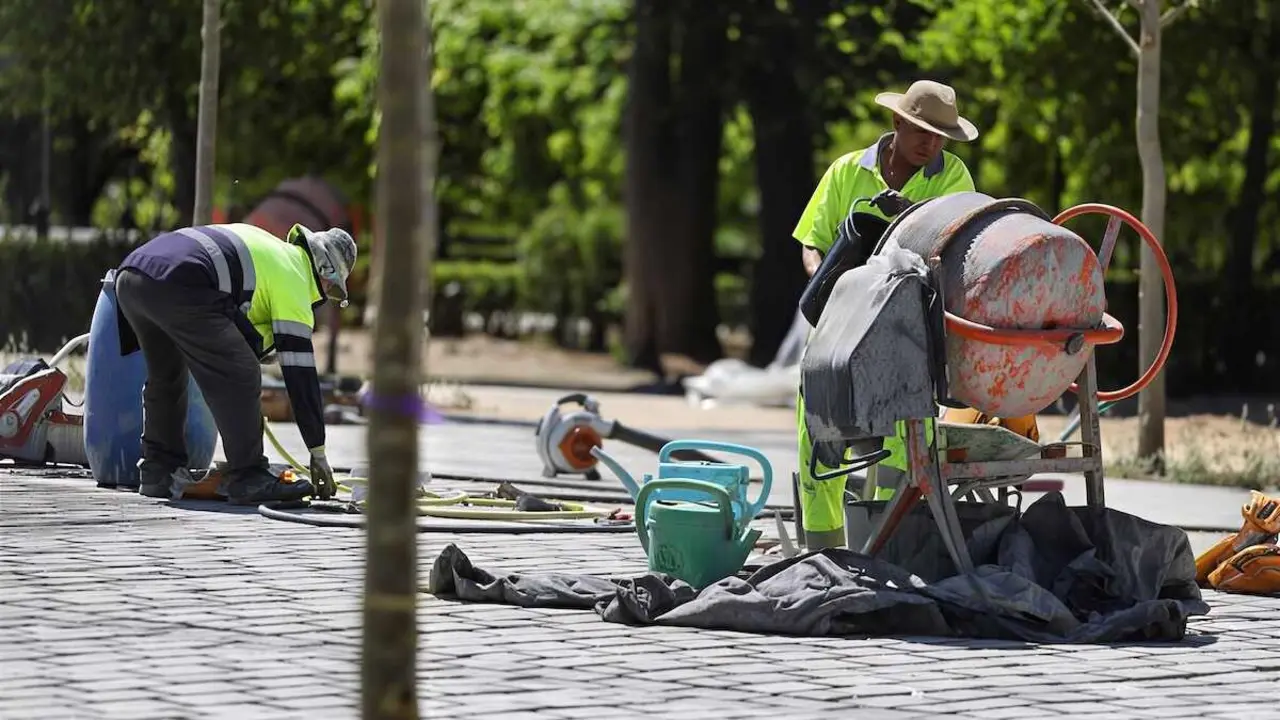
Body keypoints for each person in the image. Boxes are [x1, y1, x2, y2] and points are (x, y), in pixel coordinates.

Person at [790, 79, 981, 550]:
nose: (931, 144)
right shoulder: (847, 171)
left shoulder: (953, 179)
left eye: (940, 136)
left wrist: (912, 214)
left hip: (906, 334)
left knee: (905, 443)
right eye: (921, 131)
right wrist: (827, 285)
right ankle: (823, 560)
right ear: (897, 121)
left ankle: (883, 552)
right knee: (820, 437)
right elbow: (812, 242)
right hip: (838, 330)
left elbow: (957, 253)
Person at [114, 221, 357, 505]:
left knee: (167, 375)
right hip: (182, 282)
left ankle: (158, 470)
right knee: (242, 371)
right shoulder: (296, 277)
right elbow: (300, 376)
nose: (327, 293)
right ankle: (249, 474)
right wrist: (317, 452)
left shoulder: (276, 252)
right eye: (332, 286)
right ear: (325, 273)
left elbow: (237, 320)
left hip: (132, 276)